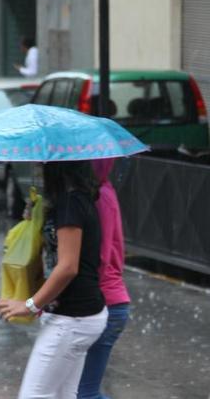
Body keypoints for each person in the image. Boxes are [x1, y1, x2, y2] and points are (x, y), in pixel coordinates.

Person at [0, 161, 108, 399]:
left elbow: (67, 267)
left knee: (33, 396)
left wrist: (30, 305)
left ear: (57, 165)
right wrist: (34, 217)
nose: (37, 167)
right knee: (62, 395)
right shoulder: (70, 201)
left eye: (42, 163)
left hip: (72, 317)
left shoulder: (70, 204)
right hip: (76, 315)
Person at [77, 159, 131, 399]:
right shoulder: (99, 193)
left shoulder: (101, 197)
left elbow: (100, 256)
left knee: (84, 393)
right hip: (108, 302)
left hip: (106, 303)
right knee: (82, 392)